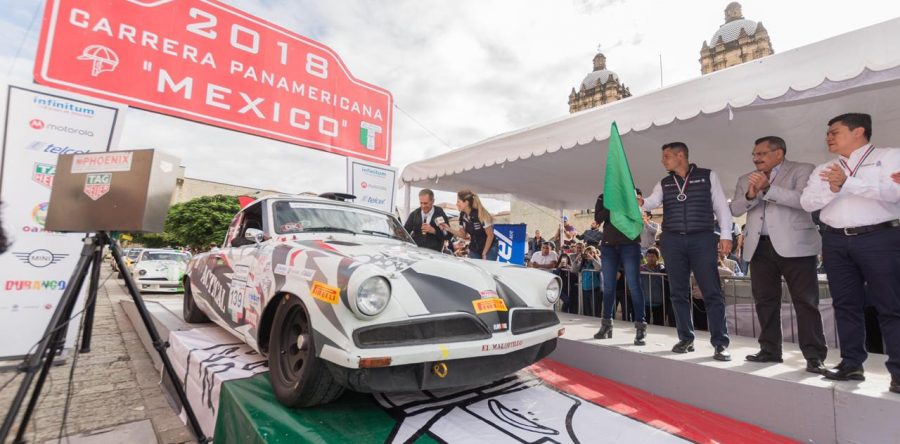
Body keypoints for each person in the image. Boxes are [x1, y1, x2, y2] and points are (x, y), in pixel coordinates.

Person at [800, 113, 900, 393]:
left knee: (891, 305)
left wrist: (848, 183)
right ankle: (852, 363)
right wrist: (833, 189)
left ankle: (898, 371)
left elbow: (894, 192)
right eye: (827, 133)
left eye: (835, 132)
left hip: (879, 238)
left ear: (858, 131)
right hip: (834, 241)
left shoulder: (890, 157)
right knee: (845, 305)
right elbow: (807, 202)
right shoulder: (825, 168)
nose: (828, 137)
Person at [730, 136, 828, 374]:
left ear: (779, 153)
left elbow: (803, 201)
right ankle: (770, 349)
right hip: (759, 247)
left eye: (761, 153)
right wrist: (751, 195)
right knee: (765, 301)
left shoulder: (803, 170)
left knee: (806, 302)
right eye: (754, 154)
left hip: (796, 246)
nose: (756, 158)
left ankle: (814, 355)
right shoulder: (746, 178)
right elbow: (735, 209)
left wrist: (767, 188)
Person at [641, 142, 733, 361]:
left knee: (711, 292)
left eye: (666, 156)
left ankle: (720, 343)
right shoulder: (664, 182)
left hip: (702, 238)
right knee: (678, 292)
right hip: (672, 240)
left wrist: (726, 235)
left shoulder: (708, 176)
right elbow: (652, 202)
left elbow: (721, 206)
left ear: (680, 155)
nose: (663, 160)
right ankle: (686, 339)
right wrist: (641, 202)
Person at [592, 193, 648, 345]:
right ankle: (606, 325)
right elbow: (598, 218)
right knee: (608, 287)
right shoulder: (605, 195)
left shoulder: (632, 192)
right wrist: (612, 203)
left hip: (630, 244)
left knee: (634, 286)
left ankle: (640, 328)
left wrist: (630, 199)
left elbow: (638, 215)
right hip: (609, 245)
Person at [456, 190, 499, 260]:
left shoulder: (481, 214)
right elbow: (463, 235)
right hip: (474, 248)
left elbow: (490, 235)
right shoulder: (462, 216)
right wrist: (448, 228)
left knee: (487, 266)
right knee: (472, 266)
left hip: (489, 247)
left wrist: (484, 253)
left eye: (458, 201)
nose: (456, 204)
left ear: (466, 202)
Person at [641, 248, 671, 326]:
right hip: (645, 302)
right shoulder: (641, 269)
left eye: (653, 256)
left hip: (660, 303)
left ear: (657, 257)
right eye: (648, 256)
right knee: (644, 324)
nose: (650, 258)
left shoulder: (663, 270)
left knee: (659, 325)